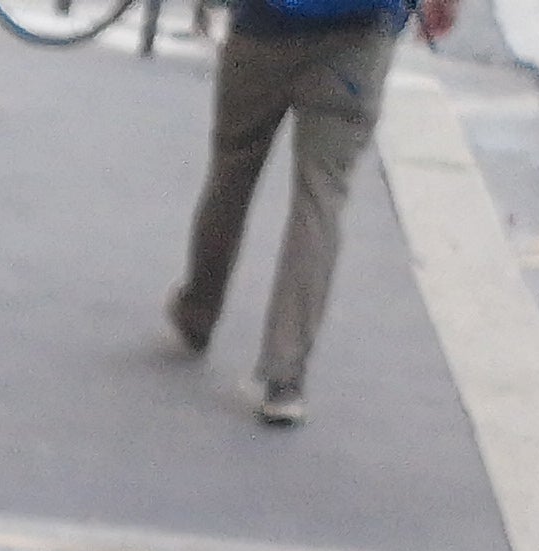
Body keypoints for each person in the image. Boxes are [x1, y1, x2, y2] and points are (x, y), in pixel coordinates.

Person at [165, 0, 461, 429]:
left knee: (232, 172)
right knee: (321, 198)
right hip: (358, 39)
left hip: (262, 24)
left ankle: (197, 310)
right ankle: (284, 377)